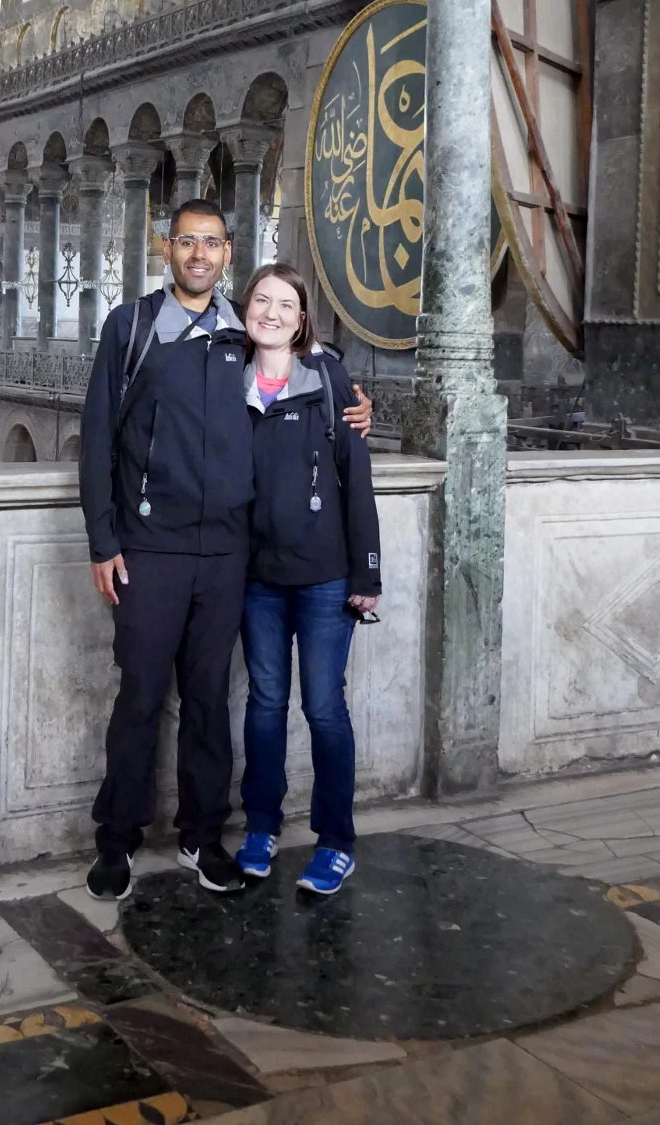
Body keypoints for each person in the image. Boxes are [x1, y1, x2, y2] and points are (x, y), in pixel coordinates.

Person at [79, 200, 373, 902]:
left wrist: (358, 400)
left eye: (212, 243)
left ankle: (202, 838)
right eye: (187, 242)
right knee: (141, 698)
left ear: (228, 253)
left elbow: (305, 373)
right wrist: (103, 537)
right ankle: (115, 842)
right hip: (150, 547)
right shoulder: (135, 328)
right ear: (168, 249)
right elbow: (96, 438)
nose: (199, 255)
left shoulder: (244, 334)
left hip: (230, 555)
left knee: (210, 699)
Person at [234, 263, 381, 897]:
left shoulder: (327, 380)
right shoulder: (223, 379)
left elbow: (359, 481)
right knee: (265, 704)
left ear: (301, 321)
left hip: (324, 578)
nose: (271, 312)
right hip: (255, 578)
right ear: (245, 310)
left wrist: (366, 571)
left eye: (285, 304)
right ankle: (262, 827)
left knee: (323, 707)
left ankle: (334, 841)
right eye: (261, 300)